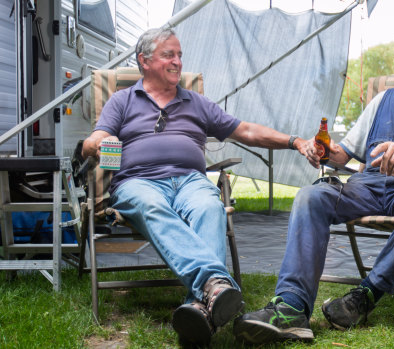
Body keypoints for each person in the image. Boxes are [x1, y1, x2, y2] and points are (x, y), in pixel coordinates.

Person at [233, 24, 394, 344]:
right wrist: (320, 148)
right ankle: (292, 307)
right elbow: (342, 155)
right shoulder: (381, 102)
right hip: (371, 184)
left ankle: (367, 293)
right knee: (310, 196)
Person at [81, 27, 311, 346]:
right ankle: (215, 284)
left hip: (190, 181)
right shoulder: (122, 100)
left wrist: (293, 141)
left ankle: (199, 308)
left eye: (179, 55)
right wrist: (98, 143)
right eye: (168, 55)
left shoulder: (197, 102)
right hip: (138, 183)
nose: (177, 62)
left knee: (208, 206)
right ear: (144, 61)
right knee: (151, 205)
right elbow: (94, 140)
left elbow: (245, 130)